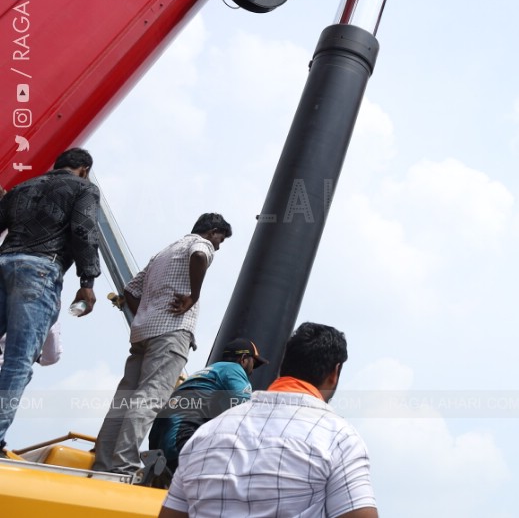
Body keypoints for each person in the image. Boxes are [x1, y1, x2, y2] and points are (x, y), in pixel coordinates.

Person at [159, 321, 377, 518]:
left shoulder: (205, 435)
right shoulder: (338, 437)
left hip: (166, 431)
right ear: (335, 373)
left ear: (283, 367)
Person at [93, 211, 233, 475]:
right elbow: (201, 255)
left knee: (124, 399)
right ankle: (124, 466)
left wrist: (145, 313)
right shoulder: (199, 244)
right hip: (172, 331)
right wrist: (193, 296)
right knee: (150, 397)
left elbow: (130, 290)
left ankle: (103, 465)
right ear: (213, 231)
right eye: (220, 240)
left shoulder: (163, 253)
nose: (218, 246)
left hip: (143, 332)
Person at [0, 147, 101, 450]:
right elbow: (83, 230)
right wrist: (87, 281)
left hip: (3, 262)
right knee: (18, 360)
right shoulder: (84, 187)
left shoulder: (22, 188)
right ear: (84, 168)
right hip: (39, 269)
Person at [148, 336, 266, 474]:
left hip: (159, 438)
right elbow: (246, 408)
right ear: (244, 358)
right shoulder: (233, 369)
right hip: (182, 434)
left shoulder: (208, 373)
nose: (252, 371)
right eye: (254, 364)